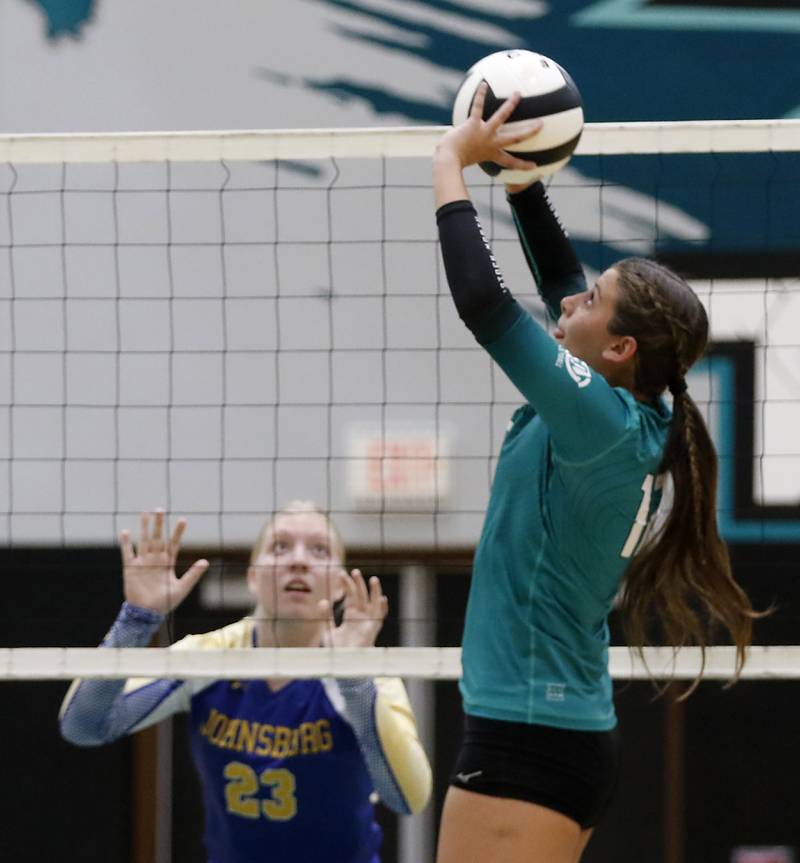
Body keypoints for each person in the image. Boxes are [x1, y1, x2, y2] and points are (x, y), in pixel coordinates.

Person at [432, 84, 757, 863]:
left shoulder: (602, 426)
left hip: (527, 737)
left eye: (594, 300)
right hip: (546, 729)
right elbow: (556, 267)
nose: (573, 298)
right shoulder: (623, 408)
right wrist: (520, 172)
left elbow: (482, 300)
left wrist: (450, 163)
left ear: (620, 350)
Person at [59, 503, 431, 863]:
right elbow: (84, 726)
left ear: (339, 585)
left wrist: (352, 681)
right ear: (253, 577)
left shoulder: (365, 674)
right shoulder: (210, 657)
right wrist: (137, 621)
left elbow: (408, 799)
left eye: (319, 550)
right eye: (280, 547)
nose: (298, 560)